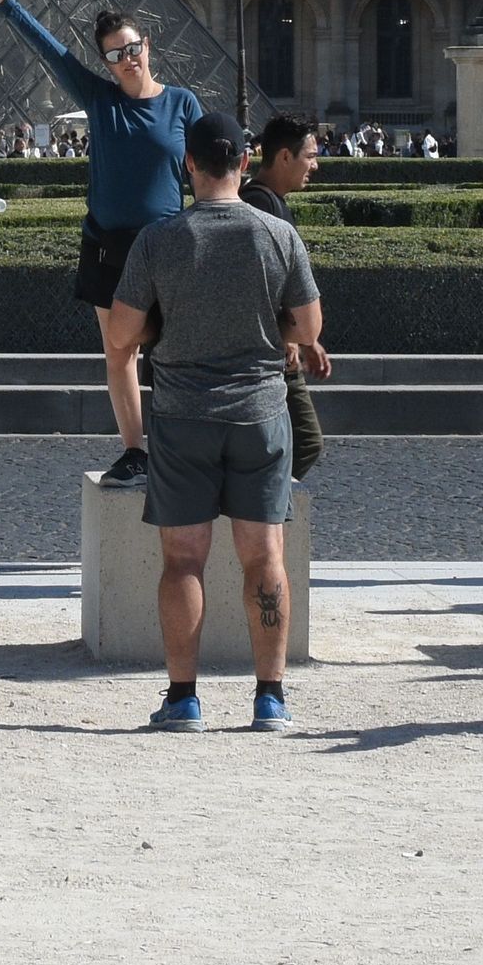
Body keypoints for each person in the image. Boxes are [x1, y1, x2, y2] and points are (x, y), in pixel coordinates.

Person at [104, 112, 326, 730]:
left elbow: (120, 336)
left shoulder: (160, 238)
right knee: (265, 559)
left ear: (189, 166)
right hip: (259, 412)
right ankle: (270, 698)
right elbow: (308, 330)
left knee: (183, 562)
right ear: (246, 165)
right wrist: (272, 329)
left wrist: (158, 327)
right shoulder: (278, 236)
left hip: (182, 416)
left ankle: (183, 699)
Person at [0, 0, 205, 489]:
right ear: (106, 61)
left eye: (132, 47)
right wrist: (6, 3)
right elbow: (53, 52)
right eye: (115, 54)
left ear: (149, 44)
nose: (127, 60)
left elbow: (206, 175)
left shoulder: (183, 103)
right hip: (108, 246)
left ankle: (177, 447)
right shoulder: (100, 100)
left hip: (166, 246)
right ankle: (134, 451)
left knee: (172, 350)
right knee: (119, 351)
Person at [245, 114, 331, 483]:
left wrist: (306, 339)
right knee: (303, 441)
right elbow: (258, 284)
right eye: (309, 155)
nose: (316, 164)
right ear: (283, 156)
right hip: (272, 349)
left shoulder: (267, 201)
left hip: (281, 342)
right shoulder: (263, 206)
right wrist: (291, 337)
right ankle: (257, 515)